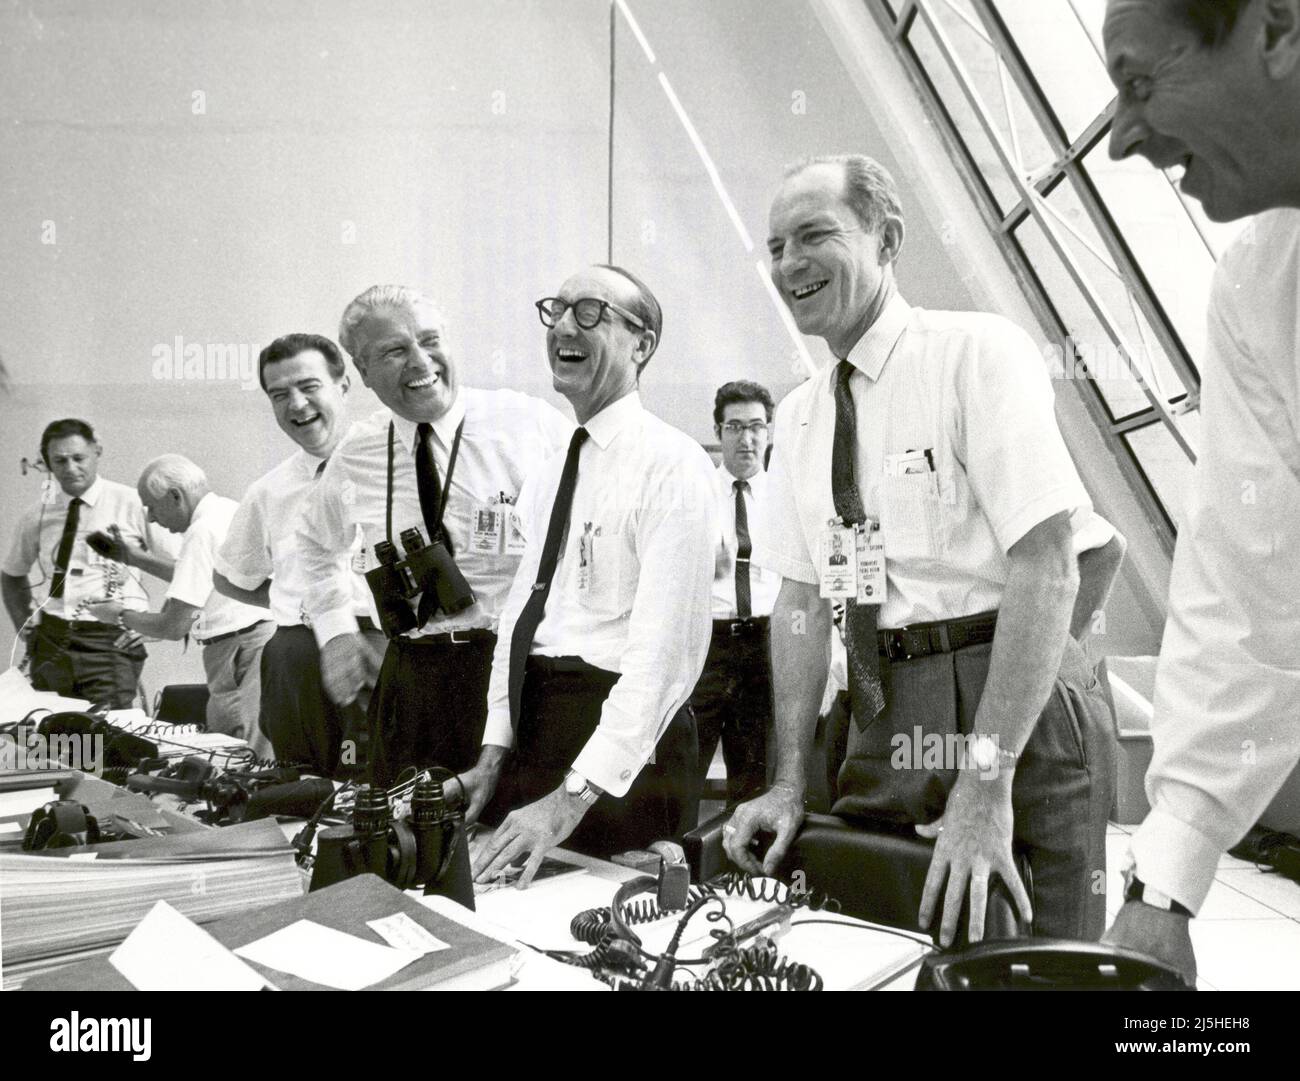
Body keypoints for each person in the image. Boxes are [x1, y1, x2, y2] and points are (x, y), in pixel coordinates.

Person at [723, 155, 1117, 945]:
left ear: (886, 239)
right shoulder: (798, 420)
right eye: (775, 246)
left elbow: (1053, 560)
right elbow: (801, 606)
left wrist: (988, 773)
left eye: (814, 235)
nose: (789, 262)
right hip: (882, 704)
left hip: (1007, 700)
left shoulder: (976, 355)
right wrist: (789, 780)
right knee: (893, 937)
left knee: (1028, 948)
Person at [1101, 0, 1300, 983]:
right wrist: (1162, 888)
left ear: (1277, 27)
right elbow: (1245, 586)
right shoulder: (1261, 286)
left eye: (1140, 83)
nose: (1120, 138)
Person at [464, 265, 717, 884]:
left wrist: (570, 798)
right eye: (557, 309)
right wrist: (493, 754)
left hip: (625, 758)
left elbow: (662, 660)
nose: (563, 327)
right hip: (538, 731)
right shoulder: (550, 473)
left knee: (610, 945)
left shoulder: (673, 466)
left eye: (591, 312)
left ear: (642, 344)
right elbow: (521, 619)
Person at [298, 286, 570, 788]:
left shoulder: (527, 425)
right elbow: (314, 545)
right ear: (362, 372)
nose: (420, 362)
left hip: (515, 674)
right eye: (394, 351)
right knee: (407, 833)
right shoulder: (357, 453)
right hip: (413, 681)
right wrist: (336, 631)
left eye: (430, 340)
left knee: (507, 838)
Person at [213, 333, 383, 775]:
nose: (297, 405)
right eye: (280, 395)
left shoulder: (393, 462)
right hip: (298, 659)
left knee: (386, 784)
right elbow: (230, 576)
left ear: (342, 385)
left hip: (382, 647)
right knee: (302, 785)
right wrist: (292, 602)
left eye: (309, 387)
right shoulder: (268, 491)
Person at [89, 455, 274, 750]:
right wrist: (132, 557)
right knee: (248, 747)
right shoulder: (227, 511)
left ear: (176, 496)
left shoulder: (201, 531)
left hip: (240, 653)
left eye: (151, 506)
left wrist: (120, 615)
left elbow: (174, 626)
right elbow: (200, 576)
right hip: (257, 645)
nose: (150, 517)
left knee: (242, 754)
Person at [2, 419, 174, 708]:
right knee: (54, 732)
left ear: (97, 452)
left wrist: (155, 627)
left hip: (108, 640)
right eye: (60, 461)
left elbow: (181, 569)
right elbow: (11, 575)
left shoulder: (132, 503)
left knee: (108, 735)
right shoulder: (39, 513)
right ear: (48, 464)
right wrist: (26, 626)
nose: (70, 468)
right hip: (52, 640)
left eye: (78, 458)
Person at [691, 379, 781, 804]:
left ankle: (745, 869)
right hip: (708, 642)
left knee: (754, 774)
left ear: (769, 432)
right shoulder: (694, 495)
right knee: (687, 762)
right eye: (734, 427)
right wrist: (701, 567)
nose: (747, 439)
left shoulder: (787, 497)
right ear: (718, 432)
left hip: (766, 642)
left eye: (757, 427)